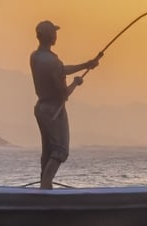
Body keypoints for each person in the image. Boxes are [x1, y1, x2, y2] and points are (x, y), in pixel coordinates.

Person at [29, 20, 101, 189]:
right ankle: (47, 187)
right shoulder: (52, 61)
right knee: (60, 151)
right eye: (54, 32)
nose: (56, 35)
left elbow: (61, 69)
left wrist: (86, 64)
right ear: (49, 36)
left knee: (47, 151)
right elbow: (63, 93)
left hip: (40, 108)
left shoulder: (35, 57)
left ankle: (43, 189)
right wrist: (76, 83)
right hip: (55, 111)